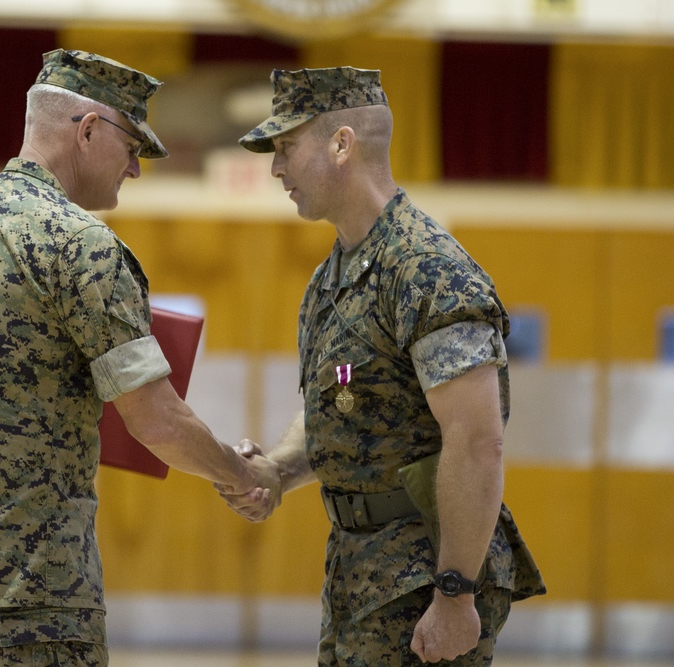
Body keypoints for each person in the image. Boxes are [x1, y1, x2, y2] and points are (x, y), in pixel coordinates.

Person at [0, 49, 277, 666]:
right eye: (132, 147)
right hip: (30, 592)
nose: (134, 168)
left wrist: (6, 401)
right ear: (88, 130)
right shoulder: (81, 247)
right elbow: (156, 421)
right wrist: (244, 478)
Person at [220, 67, 546, 665]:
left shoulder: (427, 271)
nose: (276, 168)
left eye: (287, 147)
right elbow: (341, 403)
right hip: (360, 571)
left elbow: (476, 442)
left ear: (342, 144)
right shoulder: (335, 275)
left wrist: (454, 593)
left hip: (425, 576)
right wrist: (277, 470)